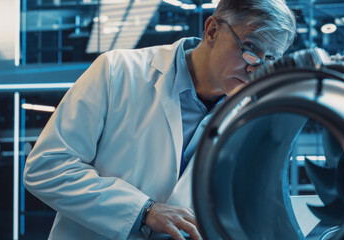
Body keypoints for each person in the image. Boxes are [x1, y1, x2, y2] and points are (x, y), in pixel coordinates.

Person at [23, 0, 296, 239]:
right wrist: (144, 211)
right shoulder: (116, 71)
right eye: (250, 48)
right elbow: (48, 167)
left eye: (270, 58)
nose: (255, 67)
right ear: (212, 30)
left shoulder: (250, 118)